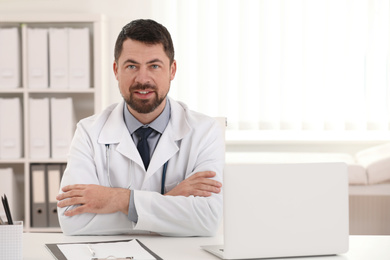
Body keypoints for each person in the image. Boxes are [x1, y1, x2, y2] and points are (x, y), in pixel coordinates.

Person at [56, 19, 225, 236]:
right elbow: (73, 220)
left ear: (172, 70)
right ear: (116, 70)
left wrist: (118, 199)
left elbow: (208, 219)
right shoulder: (89, 132)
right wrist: (170, 201)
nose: (143, 79)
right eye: (132, 66)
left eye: (154, 66)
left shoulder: (205, 131)